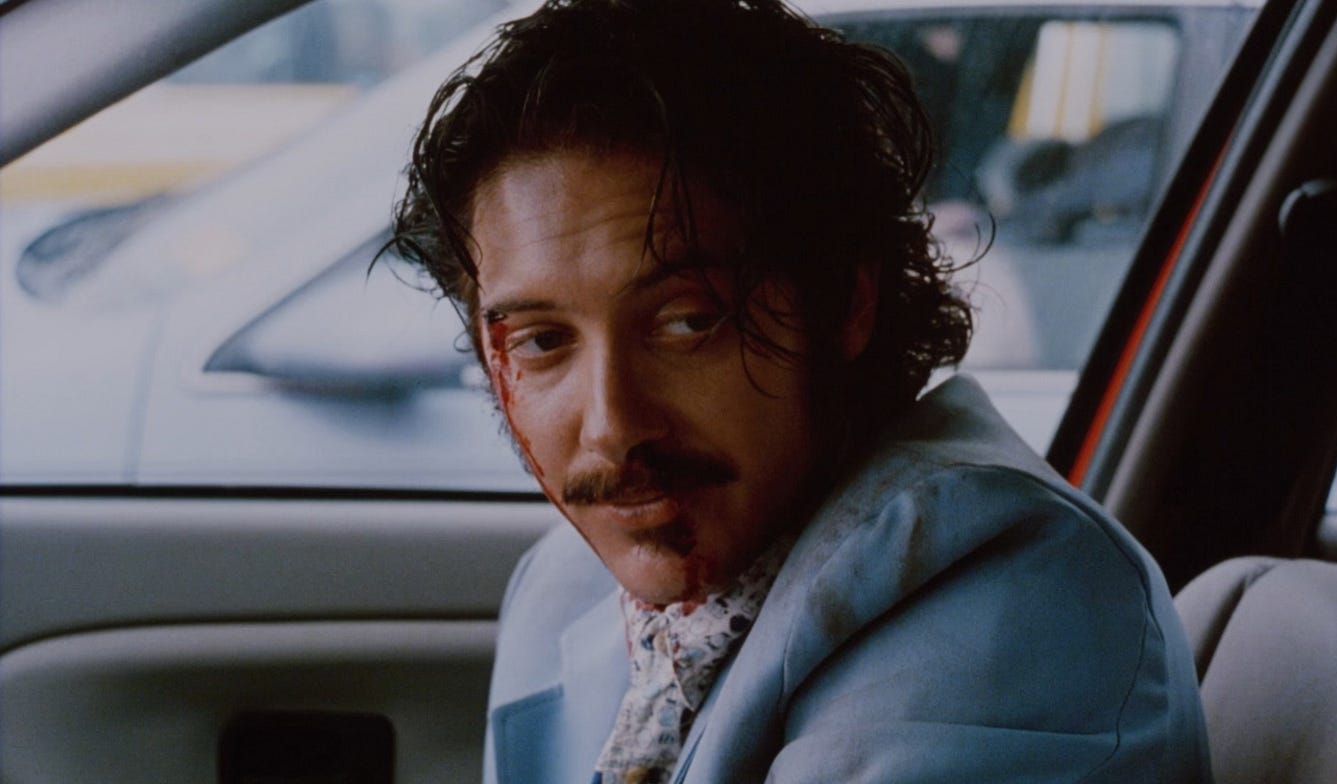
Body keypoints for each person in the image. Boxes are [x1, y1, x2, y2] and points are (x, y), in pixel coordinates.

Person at [384, 1, 1211, 781]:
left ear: (843, 302)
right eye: (541, 341)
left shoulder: (1014, 608)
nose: (611, 426)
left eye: (687, 322)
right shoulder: (570, 585)